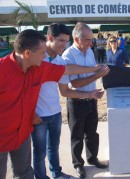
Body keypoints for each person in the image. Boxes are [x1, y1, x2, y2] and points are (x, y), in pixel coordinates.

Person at [0, 29, 106, 179]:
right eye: (42, 53)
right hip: (2, 136)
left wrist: (94, 68)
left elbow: (67, 69)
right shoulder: (2, 71)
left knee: (24, 173)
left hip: (22, 134)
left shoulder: (39, 68)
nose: (45, 56)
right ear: (27, 54)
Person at [31, 23, 109, 179]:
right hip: (40, 113)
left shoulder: (60, 60)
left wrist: (92, 92)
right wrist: (97, 73)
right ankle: (45, 175)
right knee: (41, 151)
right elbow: (73, 78)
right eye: (62, 41)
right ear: (50, 38)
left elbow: (64, 89)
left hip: (56, 111)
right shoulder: (39, 58)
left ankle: (57, 173)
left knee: (55, 146)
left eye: (66, 41)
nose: (64, 45)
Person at [62, 22, 109, 178]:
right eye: (88, 39)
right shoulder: (68, 55)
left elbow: (92, 68)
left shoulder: (89, 51)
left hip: (92, 99)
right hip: (76, 102)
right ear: (77, 39)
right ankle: (78, 164)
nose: (91, 42)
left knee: (92, 133)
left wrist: (99, 67)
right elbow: (75, 84)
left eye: (91, 39)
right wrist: (98, 75)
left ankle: (92, 158)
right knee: (77, 135)